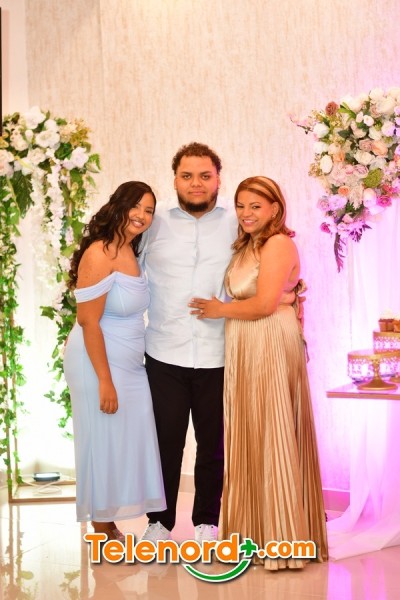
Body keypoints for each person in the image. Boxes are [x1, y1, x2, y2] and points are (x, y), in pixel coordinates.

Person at [189, 176, 328, 569]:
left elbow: (266, 303)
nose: (246, 214)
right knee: (251, 431)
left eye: (255, 206)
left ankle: (282, 537)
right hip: (245, 343)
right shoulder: (247, 244)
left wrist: (220, 309)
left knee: (273, 429)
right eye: (241, 206)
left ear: (275, 209)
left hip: (269, 339)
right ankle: (254, 533)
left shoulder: (278, 243)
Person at [140, 142, 238, 543]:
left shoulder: (237, 221)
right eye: (187, 176)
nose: (196, 183)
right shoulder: (153, 222)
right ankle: (159, 522)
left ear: (218, 179)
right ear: (175, 179)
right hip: (165, 352)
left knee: (213, 445)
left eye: (204, 175)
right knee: (164, 443)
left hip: (219, 352)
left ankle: (206, 522)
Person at [63, 181, 166, 540]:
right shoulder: (100, 252)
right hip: (97, 362)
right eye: (135, 206)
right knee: (102, 438)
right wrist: (105, 380)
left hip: (129, 364)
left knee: (123, 439)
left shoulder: (131, 250)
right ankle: (102, 525)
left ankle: (109, 520)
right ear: (118, 206)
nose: (142, 215)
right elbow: (88, 321)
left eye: (149, 210)